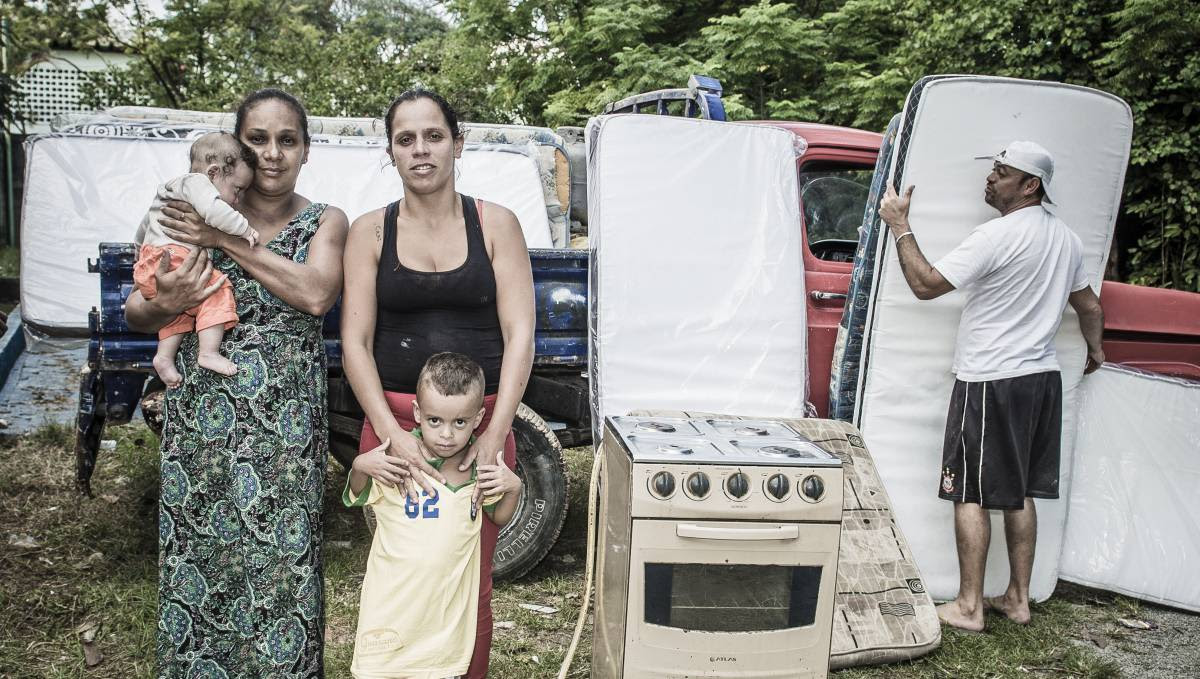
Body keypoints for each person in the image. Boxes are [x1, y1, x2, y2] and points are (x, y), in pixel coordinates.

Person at [125, 88, 349, 676]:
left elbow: (316, 293)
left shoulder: (326, 220)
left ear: (305, 151)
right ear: (235, 153)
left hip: (285, 427)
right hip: (201, 420)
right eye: (258, 140)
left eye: (288, 140)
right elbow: (137, 309)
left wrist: (223, 240)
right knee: (201, 561)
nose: (273, 154)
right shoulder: (186, 207)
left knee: (284, 570)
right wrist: (164, 301)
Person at [341, 88, 535, 679]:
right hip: (396, 423)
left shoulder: (496, 223)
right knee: (404, 569)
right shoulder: (370, 232)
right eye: (406, 139)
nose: (420, 150)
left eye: (433, 136)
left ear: (456, 141)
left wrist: (490, 435)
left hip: (481, 419)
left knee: (469, 573)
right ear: (391, 152)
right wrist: (389, 436)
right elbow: (354, 341)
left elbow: (522, 335)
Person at [878, 140, 1105, 632]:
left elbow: (925, 284)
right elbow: (1089, 306)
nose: (990, 179)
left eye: (1002, 172)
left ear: (1030, 185)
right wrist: (1096, 351)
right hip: (1039, 380)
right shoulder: (1066, 240)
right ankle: (1018, 600)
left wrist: (900, 225)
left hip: (990, 379)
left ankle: (968, 606)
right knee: (1019, 491)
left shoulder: (996, 236)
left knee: (970, 492)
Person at [345, 352, 521, 679]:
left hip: (443, 631)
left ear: (479, 418)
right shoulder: (398, 462)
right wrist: (359, 466)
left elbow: (498, 516)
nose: (446, 435)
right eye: (434, 421)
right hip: (392, 616)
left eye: (460, 423)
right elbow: (359, 492)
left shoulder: (478, 471)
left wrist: (514, 488)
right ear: (417, 414)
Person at [134, 131, 260, 387]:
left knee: (182, 314)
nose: (236, 200)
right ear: (213, 172)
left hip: (153, 263)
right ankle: (209, 353)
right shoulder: (197, 185)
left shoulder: (169, 189)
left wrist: (141, 253)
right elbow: (215, 212)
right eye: (236, 190)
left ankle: (164, 357)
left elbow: (144, 225)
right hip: (177, 258)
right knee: (217, 289)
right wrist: (245, 229)